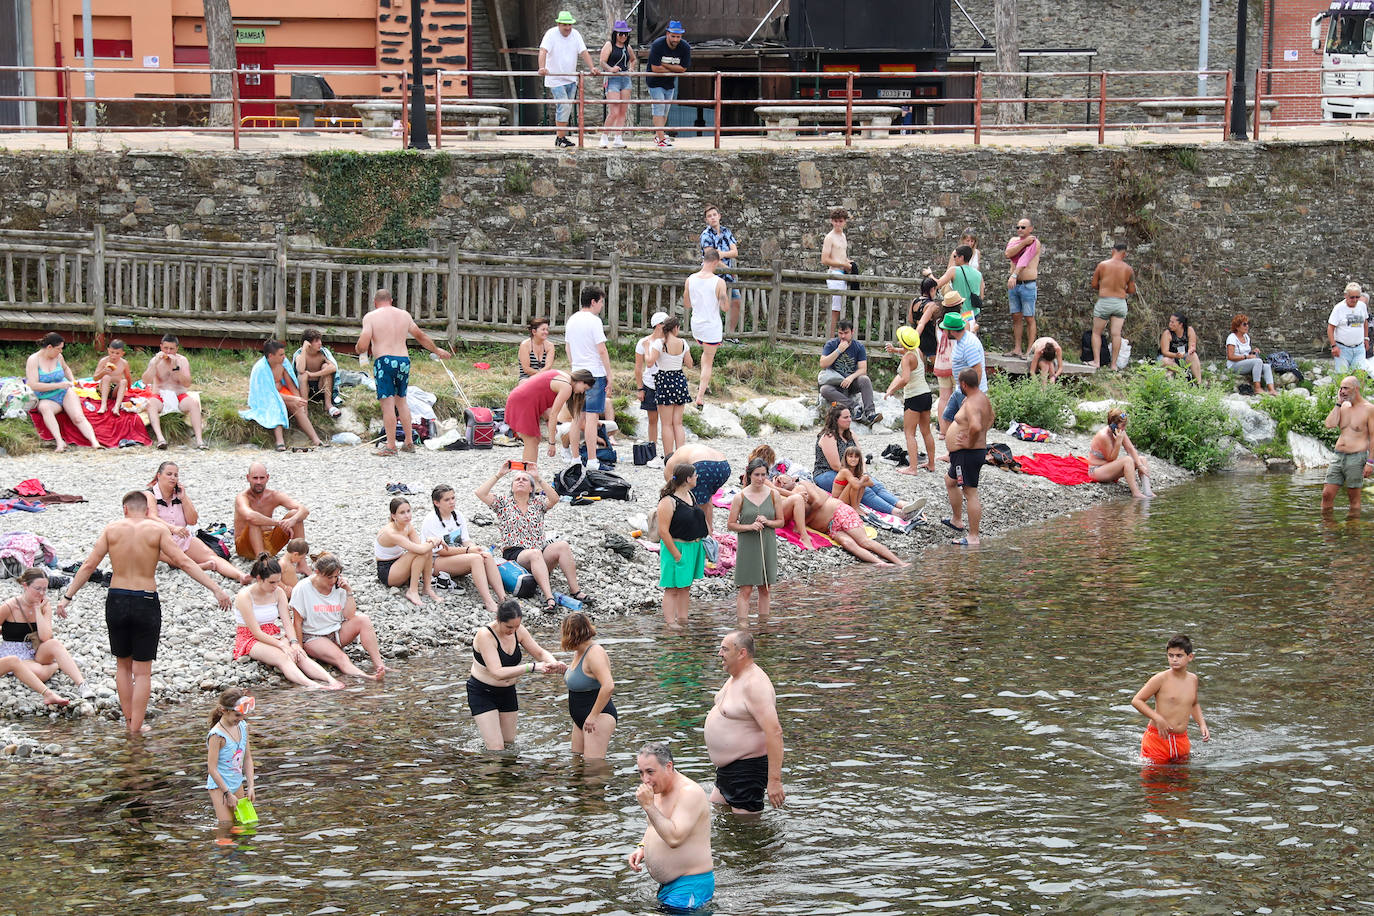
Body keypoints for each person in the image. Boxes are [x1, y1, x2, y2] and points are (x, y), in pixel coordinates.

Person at [58, 490, 234, 735]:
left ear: (125, 509)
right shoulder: (157, 530)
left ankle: (129, 719)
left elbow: (89, 566)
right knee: (142, 671)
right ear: (148, 511)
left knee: (122, 666)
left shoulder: (112, 529)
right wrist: (216, 588)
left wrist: (67, 598)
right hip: (145, 600)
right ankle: (136, 729)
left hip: (117, 599)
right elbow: (183, 562)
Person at [475, 462, 589, 612]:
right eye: (517, 479)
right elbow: (480, 493)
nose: (521, 481)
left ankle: (575, 591)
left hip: (539, 553)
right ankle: (549, 598)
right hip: (515, 555)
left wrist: (538, 477)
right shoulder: (503, 503)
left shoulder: (538, 503)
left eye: (525, 479)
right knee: (534, 553)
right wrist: (500, 474)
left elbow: (554, 499)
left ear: (531, 488)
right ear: (512, 487)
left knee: (562, 546)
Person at [355, 288, 452, 457]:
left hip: (384, 361)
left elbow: (363, 345)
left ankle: (391, 446)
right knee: (402, 401)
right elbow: (420, 336)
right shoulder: (404, 315)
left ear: (375, 303)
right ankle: (409, 442)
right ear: (391, 300)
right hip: (403, 361)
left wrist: (359, 349)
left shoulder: (370, 317)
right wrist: (436, 350)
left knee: (387, 404)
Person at [467, 599, 565, 751]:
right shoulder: (485, 635)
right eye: (508, 627)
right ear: (498, 620)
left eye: (516, 626)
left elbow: (539, 652)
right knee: (496, 748)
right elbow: (497, 672)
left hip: (507, 692)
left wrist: (553, 662)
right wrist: (532, 667)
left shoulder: (518, 630)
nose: (512, 631)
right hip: (482, 692)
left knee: (509, 745)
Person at [705, 630, 785, 814]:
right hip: (727, 770)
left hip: (747, 770)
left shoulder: (755, 685)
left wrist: (774, 781)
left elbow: (774, 732)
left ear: (741, 653)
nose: (719, 654)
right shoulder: (735, 676)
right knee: (717, 812)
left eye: (724, 649)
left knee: (748, 832)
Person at [234, 553, 342, 689]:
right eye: (271, 582)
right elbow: (256, 632)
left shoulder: (278, 592)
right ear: (259, 579)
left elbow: (287, 622)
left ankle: (330, 680)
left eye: (278, 581)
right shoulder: (245, 596)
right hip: (249, 637)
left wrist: (294, 642)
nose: (275, 586)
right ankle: (313, 685)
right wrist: (282, 646)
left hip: (272, 632)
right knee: (283, 657)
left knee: (298, 654)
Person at [628, 742, 714, 910]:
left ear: (668, 766)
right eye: (641, 773)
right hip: (669, 887)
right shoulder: (658, 790)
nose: (645, 780)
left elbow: (674, 838)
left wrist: (648, 806)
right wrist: (642, 847)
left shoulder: (689, 793)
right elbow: (653, 825)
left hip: (690, 885)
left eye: (650, 772)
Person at [0, 567, 94, 706]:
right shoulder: (10, 606)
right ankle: (57, 665)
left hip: (36, 648)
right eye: (38, 589)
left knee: (54, 644)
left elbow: (45, 637)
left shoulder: (44, 605)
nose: (42, 593)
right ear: (25, 586)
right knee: (41, 673)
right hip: (15, 652)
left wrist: (38, 608)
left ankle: (82, 685)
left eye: (45, 589)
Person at [145, 461, 248, 585]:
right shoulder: (149, 495)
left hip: (180, 537)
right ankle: (199, 566)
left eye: (176, 475)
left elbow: (192, 520)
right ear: (159, 476)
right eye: (169, 474)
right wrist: (173, 528)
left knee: (211, 555)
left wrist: (184, 498)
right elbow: (151, 517)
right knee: (164, 552)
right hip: (158, 540)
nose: (173, 478)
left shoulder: (178, 495)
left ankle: (240, 576)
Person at [813, 404, 923, 519]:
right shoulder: (829, 437)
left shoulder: (851, 434)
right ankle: (898, 513)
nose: (850, 419)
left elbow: (860, 458)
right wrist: (856, 476)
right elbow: (835, 465)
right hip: (826, 473)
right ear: (836, 419)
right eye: (845, 417)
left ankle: (904, 505)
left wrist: (864, 473)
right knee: (862, 488)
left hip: (851, 470)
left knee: (875, 485)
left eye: (850, 416)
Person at [290, 552, 386, 679]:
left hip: (336, 632)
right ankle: (368, 677)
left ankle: (380, 665)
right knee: (342, 657)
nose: (333, 581)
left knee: (363, 619)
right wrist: (301, 652)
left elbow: (349, 616)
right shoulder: (302, 588)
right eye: (329, 577)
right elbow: (297, 622)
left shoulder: (339, 585)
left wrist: (348, 591)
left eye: (336, 576)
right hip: (313, 636)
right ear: (317, 572)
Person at [779, 476, 908, 565]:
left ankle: (899, 562)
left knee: (864, 541)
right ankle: (880, 563)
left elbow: (818, 501)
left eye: (782, 477)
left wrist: (805, 521)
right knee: (848, 544)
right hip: (830, 527)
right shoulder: (790, 501)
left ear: (794, 478)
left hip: (839, 512)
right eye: (776, 481)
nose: (779, 480)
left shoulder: (802, 485)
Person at [421, 484, 506, 613]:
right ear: (437, 503)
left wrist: (474, 548)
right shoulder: (431, 520)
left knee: (486, 556)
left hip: (456, 557)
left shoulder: (458, 515)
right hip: (435, 562)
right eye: (447, 500)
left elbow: (466, 540)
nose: (452, 502)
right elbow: (440, 551)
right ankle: (488, 601)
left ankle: (503, 598)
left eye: (453, 498)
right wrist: (468, 551)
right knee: (475, 559)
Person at [1131, 634, 1209, 764]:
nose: (1174, 659)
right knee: (1155, 779)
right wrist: (1158, 718)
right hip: (1158, 739)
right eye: (1170, 655)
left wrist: (1202, 724)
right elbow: (1137, 700)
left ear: (1190, 657)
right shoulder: (1160, 679)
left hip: (1181, 740)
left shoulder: (1193, 679)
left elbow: (1194, 703)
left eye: (1179, 656)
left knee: (1182, 781)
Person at [241, 339, 324, 451]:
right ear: (271, 356)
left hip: (282, 392)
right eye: (281, 355)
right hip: (265, 397)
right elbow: (267, 393)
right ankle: (279, 441)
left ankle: (315, 439)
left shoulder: (283, 364)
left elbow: (291, 385)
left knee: (297, 407)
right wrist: (292, 398)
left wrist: (298, 399)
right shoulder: (260, 369)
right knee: (276, 404)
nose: (284, 357)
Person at [942, 367, 994, 547]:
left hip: (967, 454)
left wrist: (969, 442)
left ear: (963, 384)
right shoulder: (982, 399)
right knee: (950, 481)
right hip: (966, 454)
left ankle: (973, 537)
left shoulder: (972, 403)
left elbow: (976, 426)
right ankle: (956, 520)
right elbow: (991, 418)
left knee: (970, 492)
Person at [727, 460, 782, 626]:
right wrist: (750, 526)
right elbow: (731, 524)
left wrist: (768, 522)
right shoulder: (740, 497)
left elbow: (780, 522)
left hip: (767, 544)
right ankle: (742, 626)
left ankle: (763, 626)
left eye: (763, 475)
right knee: (746, 589)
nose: (760, 478)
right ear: (749, 475)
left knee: (765, 588)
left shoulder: (774, 495)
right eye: (757, 475)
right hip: (748, 546)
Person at [26, 332, 101, 452]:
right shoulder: (33, 360)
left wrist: (73, 380)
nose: (60, 351)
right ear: (49, 347)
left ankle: (94, 441)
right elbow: (33, 385)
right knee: (44, 408)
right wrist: (58, 385)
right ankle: (60, 442)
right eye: (58, 349)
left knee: (77, 417)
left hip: (64, 392)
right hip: (47, 396)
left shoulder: (59, 357)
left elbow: (66, 368)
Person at [505, 368, 593, 468]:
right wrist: (552, 443)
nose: (582, 392)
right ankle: (527, 476)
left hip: (521, 398)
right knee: (531, 442)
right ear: (581, 381)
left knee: (536, 439)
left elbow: (540, 394)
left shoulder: (562, 374)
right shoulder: (567, 387)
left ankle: (530, 473)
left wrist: (548, 421)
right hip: (522, 402)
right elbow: (553, 415)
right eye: (584, 389)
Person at [656, 463, 708, 629]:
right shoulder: (668, 501)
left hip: (693, 547)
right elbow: (663, 531)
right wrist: (676, 555)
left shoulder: (690, 495)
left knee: (685, 586)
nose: (697, 477)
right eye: (695, 475)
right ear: (687, 478)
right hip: (676, 547)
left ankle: (683, 620)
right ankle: (670, 623)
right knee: (671, 587)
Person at [564, 286, 613, 462]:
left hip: (577, 371)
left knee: (577, 417)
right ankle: (592, 459)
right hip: (594, 373)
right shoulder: (594, 321)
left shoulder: (572, 319)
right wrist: (609, 374)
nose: (601, 306)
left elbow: (567, 347)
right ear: (593, 302)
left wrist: (574, 366)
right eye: (601, 302)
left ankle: (575, 457)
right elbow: (601, 349)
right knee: (592, 417)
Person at [538, 11, 599, 148]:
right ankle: (560, 137)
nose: (568, 28)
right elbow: (543, 51)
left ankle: (560, 138)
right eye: (565, 25)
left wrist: (592, 67)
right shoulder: (551, 34)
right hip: (555, 78)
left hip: (571, 78)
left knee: (566, 107)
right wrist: (542, 67)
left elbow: (583, 51)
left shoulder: (575, 34)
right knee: (564, 105)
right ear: (559, 24)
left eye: (570, 25)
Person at [560, 611, 617, 759]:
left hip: (598, 717)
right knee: (577, 763)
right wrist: (564, 670)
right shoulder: (580, 651)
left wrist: (593, 716)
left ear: (572, 634)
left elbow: (608, 685)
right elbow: (583, 678)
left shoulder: (594, 653)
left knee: (593, 769)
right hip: (581, 718)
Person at [884, 325, 936, 474]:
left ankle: (912, 468)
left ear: (902, 342)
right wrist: (895, 350)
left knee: (909, 433)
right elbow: (907, 351)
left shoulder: (907, 358)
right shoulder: (917, 351)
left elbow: (905, 378)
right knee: (926, 431)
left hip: (914, 396)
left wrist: (892, 390)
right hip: (926, 394)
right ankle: (931, 463)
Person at [141, 334, 207, 449]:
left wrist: (176, 368)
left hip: (179, 395)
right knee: (150, 404)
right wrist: (155, 364)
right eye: (166, 348)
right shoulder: (155, 360)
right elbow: (145, 380)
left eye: (171, 349)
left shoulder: (182, 361)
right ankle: (161, 439)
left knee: (194, 403)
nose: (168, 351)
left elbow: (187, 383)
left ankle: (199, 441)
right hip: (160, 395)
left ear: (177, 348)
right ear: (161, 346)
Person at [1321, 375, 1374, 517]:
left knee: (1353, 498)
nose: (1342, 391)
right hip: (1338, 456)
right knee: (1326, 494)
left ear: (1356, 389)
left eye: (1346, 388)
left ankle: (1353, 533)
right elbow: (1330, 424)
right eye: (1341, 388)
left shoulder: (1369, 409)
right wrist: (1338, 403)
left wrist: (1370, 462)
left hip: (1357, 458)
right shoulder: (1342, 406)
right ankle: (1329, 530)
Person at [234, 462, 310, 560]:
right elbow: (250, 516)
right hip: (246, 546)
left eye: (262, 478)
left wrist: (293, 520)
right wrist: (279, 523)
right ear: (248, 478)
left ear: (267, 477)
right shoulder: (242, 497)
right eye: (255, 478)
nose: (258, 482)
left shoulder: (274, 495)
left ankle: (301, 562)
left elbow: (304, 510)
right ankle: (263, 563)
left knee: (295, 514)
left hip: (269, 543)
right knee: (254, 520)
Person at [375, 497, 442, 607]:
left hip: (400, 564)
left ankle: (427, 588)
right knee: (422, 551)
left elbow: (421, 547)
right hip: (387, 572)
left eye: (408, 511)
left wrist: (431, 542)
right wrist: (436, 540)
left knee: (426, 551)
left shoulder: (407, 526)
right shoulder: (391, 533)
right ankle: (412, 591)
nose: (407, 515)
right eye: (402, 513)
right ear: (393, 516)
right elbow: (420, 550)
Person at [684, 248, 727, 408]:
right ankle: (700, 396)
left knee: (705, 353)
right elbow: (725, 307)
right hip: (711, 326)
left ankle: (704, 382)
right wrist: (724, 296)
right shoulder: (719, 282)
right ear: (715, 262)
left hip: (696, 325)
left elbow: (687, 304)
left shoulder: (690, 279)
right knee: (709, 360)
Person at [205, 688, 256, 825]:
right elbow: (212, 769)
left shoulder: (243, 727)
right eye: (237, 715)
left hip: (236, 783)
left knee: (246, 823)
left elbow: (247, 758)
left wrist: (250, 786)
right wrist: (227, 793)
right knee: (226, 826)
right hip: (219, 786)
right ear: (223, 710)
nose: (241, 719)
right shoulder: (217, 735)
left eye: (243, 715)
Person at [819, 319, 881, 425]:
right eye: (840, 333)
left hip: (851, 382)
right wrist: (838, 351)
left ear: (852, 332)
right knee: (824, 389)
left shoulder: (859, 347)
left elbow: (863, 369)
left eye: (846, 333)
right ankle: (855, 407)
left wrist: (851, 377)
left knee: (865, 379)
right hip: (835, 383)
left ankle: (870, 413)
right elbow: (823, 364)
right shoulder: (831, 344)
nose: (843, 336)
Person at [662, 442, 731, 531]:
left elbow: (671, 492)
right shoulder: (686, 450)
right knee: (707, 499)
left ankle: (699, 535)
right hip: (724, 466)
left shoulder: (670, 463)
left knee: (697, 506)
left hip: (703, 466)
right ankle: (709, 531)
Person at [1087, 407, 1154, 499]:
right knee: (1127, 460)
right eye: (1123, 425)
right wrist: (1118, 443)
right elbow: (1111, 459)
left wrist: (1140, 465)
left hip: (1108, 467)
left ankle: (1148, 492)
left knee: (1142, 459)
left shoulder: (1119, 430)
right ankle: (1136, 492)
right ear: (1113, 425)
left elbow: (1130, 448)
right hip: (1096, 471)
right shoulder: (1103, 436)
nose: (1124, 428)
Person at [1088, 242, 1136, 371]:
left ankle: (1097, 362)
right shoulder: (1128, 269)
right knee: (1116, 334)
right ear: (1124, 253)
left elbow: (1093, 284)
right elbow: (1131, 290)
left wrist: (1104, 288)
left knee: (1096, 333)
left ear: (1112, 251)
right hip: (1120, 303)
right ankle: (1114, 365)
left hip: (1104, 301)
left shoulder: (1102, 265)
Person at [652, 317, 694, 460]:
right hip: (679, 380)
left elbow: (650, 362)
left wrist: (647, 351)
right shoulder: (683, 343)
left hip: (664, 380)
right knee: (678, 423)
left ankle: (669, 456)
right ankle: (681, 455)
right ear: (675, 328)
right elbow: (689, 364)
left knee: (666, 424)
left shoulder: (660, 343)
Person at [940, 312, 988, 435]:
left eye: (945, 330)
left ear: (952, 331)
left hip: (970, 391)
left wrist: (971, 395)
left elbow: (977, 370)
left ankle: (964, 449)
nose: (943, 332)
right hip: (961, 389)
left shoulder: (969, 344)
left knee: (965, 424)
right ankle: (954, 449)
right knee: (947, 417)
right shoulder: (961, 340)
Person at [645, 20, 691, 147]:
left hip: (669, 83)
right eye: (673, 36)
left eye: (678, 36)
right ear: (667, 34)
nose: (676, 39)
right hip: (654, 82)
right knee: (658, 108)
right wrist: (673, 67)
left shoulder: (685, 47)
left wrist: (664, 65)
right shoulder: (658, 45)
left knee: (665, 111)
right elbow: (655, 68)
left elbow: (683, 69)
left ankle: (658, 135)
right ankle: (661, 139)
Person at [701, 205, 742, 342]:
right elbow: (711, 257)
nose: (712, 217)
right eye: (709, 216)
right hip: (712, 275)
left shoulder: (727, 232)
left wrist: (722, 254)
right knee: (712, 305)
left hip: (728, 276)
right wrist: (727, 268)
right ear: (706, 220)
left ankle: (730, 334)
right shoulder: (706, 235)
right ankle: (711, 335)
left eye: (714, 214)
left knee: (736, 301)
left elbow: (735, 252)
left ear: (719, 216)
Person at [1004, 217, 1042, 358]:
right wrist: (1023, 243)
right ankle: (1017, 348)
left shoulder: (1034, 242)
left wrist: (1014, 275)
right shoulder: (1014, 241)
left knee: (1029, 317)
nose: (1020, 230)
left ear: (1031, 229)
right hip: (1015, 286)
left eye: (1023, 227)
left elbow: (1025, 259)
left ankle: (1029, 351)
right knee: (1016, 316)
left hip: (1027, 284)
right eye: (1018, 227)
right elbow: (1008, 253)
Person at [929, 244, 983, 336]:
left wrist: (929, 274)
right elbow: (981, 294)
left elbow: (937, 284)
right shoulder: (978, 274)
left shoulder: (954, 270)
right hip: (974, 313)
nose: (954, 258)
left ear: (961, 257)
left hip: (960, 311)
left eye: (955, 256)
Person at [635, 312, 668, 455]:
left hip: (666, 383)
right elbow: (638, 368)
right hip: (649, 383)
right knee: (652, 419)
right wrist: (640, 388)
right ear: (659, 325)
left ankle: (669, 452)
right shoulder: (643, 342)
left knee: (668, 421)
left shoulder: (669, 341)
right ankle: (652, 450)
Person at [598, 21, 636, 148]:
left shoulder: (627, 47)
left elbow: (633, 59)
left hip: (625, 79)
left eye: (625, 34)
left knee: (623, 110)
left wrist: (631, 69)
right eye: (621, 34)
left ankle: (618, 137)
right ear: (616, 34)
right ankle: (604, 136)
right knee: (614, 110)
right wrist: (610, 69)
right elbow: (602, 62)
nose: (623, 36)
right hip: (612, 79)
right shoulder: (609, 45)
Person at [293, 328, 342, 418]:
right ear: (308, 343)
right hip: (306, 389)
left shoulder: (323, 353)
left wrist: (313, 374)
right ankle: (304, 408)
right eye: (316, 341)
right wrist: (304, 349)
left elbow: (333, 367)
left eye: (320, 340)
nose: (320, 343)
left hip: (321, 387)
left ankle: (328, 404)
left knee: (326, 367)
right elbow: (300, 369)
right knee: (302, 375)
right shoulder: (300, 354)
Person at [1225, 314, 1278, 395]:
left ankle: (1272, 389)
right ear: (1237, 327)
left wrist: (1253, 352)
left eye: (1247, 324)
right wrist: (1247, 357)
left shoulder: (1246, 337)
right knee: (1258, 361)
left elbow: (1246, 353)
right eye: (1244, 324)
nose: (1247, 326)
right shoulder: (1232, 338)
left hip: (1245, 362)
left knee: (1267, 366)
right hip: (1234, 365)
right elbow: (1230, 356)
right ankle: (1257, 388)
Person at [820, 208, 853, 339]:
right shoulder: (829, 237)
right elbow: (824, 259)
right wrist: (843, 264)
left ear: (844, 222)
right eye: (835, 221)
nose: (838, 224)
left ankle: (839, 336)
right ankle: (830, 338)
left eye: (840, 221)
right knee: (834, 310)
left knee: (840, 309)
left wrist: (847, 262)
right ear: (831, 221)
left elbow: (840, 256)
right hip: (834, 275)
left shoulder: (843, 236)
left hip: (842, 274)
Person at [1328, 282, 1370, 371]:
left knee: (1359, 374)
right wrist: (1333, 346)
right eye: (1352, 297)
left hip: (1359, 347)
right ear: (1345, 295)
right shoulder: (1338, 308)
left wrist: (1366, 338)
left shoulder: (1362, 306)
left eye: (1357, 297)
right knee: (1342, 375)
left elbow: (1365, 322)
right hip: (1342, 348)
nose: (1354, 300)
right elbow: (1330, 328)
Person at [1158, 313, 1202, 383]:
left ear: (1180, 324)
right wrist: (1176, 355)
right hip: (1169, 357)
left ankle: (1199, 383)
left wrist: (1191, 350)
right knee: (1165, 361)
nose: (1170, 324)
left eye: (1173, 322)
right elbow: (1164, 352)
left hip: (1183, 356)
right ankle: (1185, 375)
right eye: (1170, 321)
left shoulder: (1189, 330)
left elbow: (1192, 345)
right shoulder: (1167, 333)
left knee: (1194, 356)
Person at [94, 338, 132, 415]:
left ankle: (116, 407)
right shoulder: (104, 361)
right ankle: (103, 405)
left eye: (117, 353)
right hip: (103, 389)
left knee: (124, 381)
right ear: (108, 350)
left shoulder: (124, 363)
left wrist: (129, 388)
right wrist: (103, 372)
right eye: (112, 352)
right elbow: (95, 378)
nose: (114, 355)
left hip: (115, 390)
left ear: (122, 353)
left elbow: (128, 377)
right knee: (106, 377)